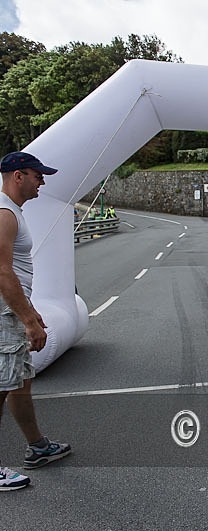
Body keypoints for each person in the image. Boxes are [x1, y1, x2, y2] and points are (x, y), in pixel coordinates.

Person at [0, 151, 71, 491]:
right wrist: (27, 317)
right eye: (37, 175)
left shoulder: (12, 211)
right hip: (5, 312)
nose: (42, 181)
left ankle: (37, 446)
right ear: (18, 175)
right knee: (2, 385)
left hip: (13, 307)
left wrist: (29, 309)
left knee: (19, 382)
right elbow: (1, 271)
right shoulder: (4, 214)